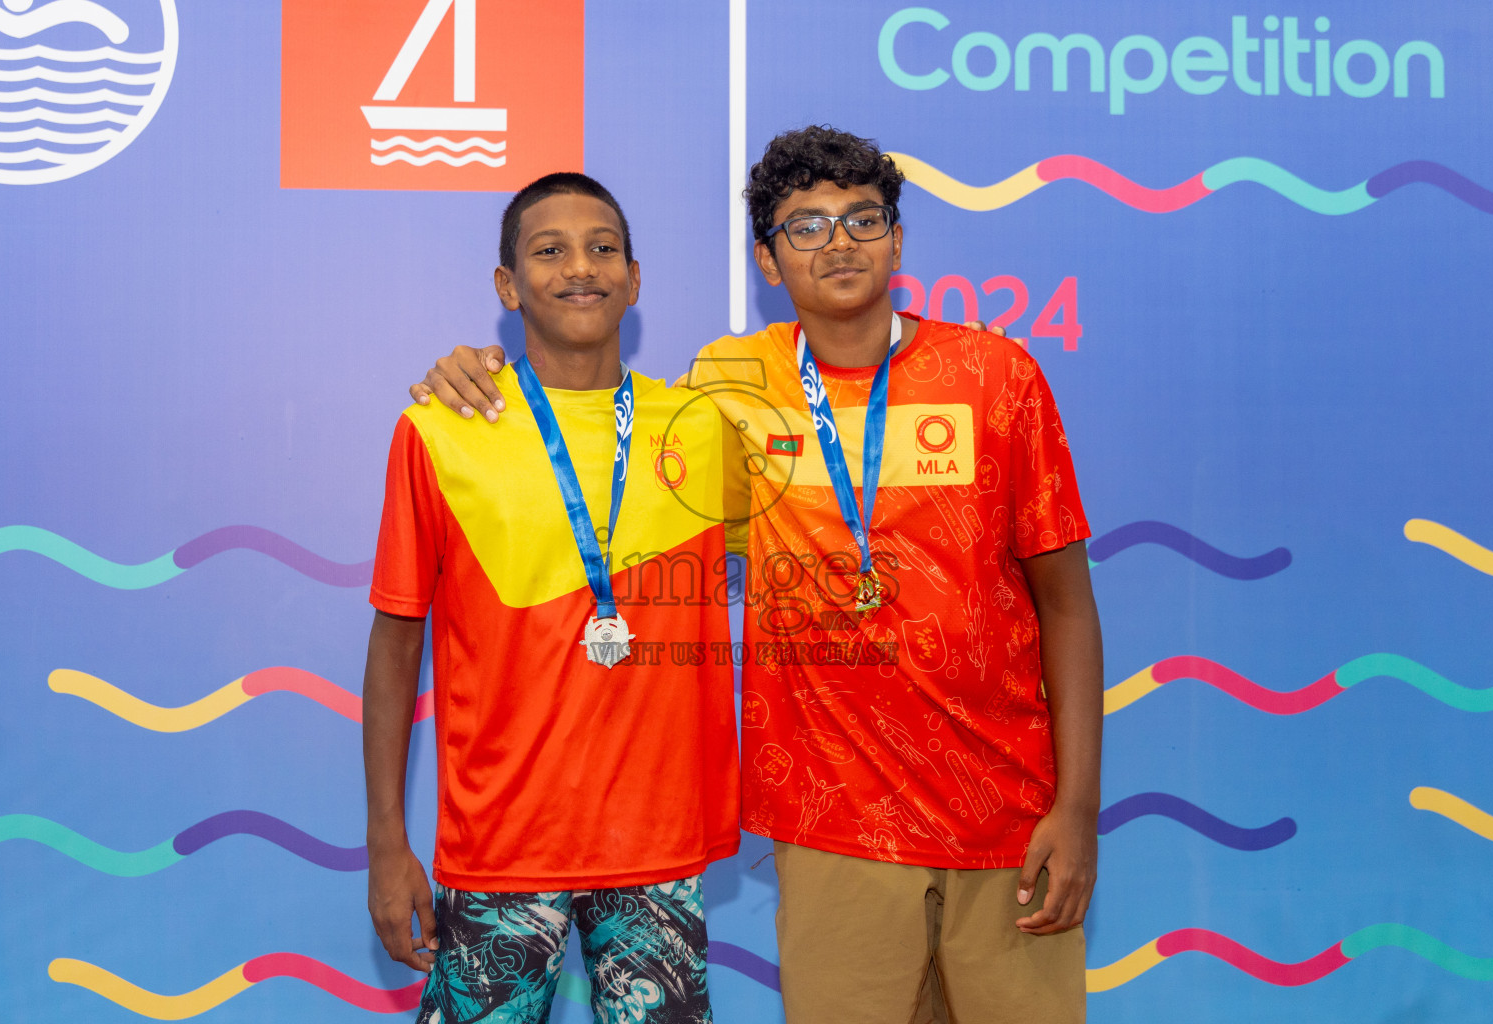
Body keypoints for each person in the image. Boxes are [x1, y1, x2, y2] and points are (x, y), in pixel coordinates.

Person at [414, 127, 1103, 1024]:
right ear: (768, 262)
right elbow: (593, 422)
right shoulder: (728, 387)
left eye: (863, 218)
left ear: (898, 239)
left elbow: (1069, 607)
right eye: (806, 226)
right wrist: (479, 372)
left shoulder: (998, 375)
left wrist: (1079, 807)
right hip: (833, 828)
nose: (840, 241)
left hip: (1009, 820)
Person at [363, 172, 739, 1024]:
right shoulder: (441, 430)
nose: (582, 268)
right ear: (507, 286)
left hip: (656, 847)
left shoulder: (703, 430)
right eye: (550, 250)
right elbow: (395, 643)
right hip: (501, 845)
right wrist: (388, 838)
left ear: (635, 278)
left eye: (603, 247)